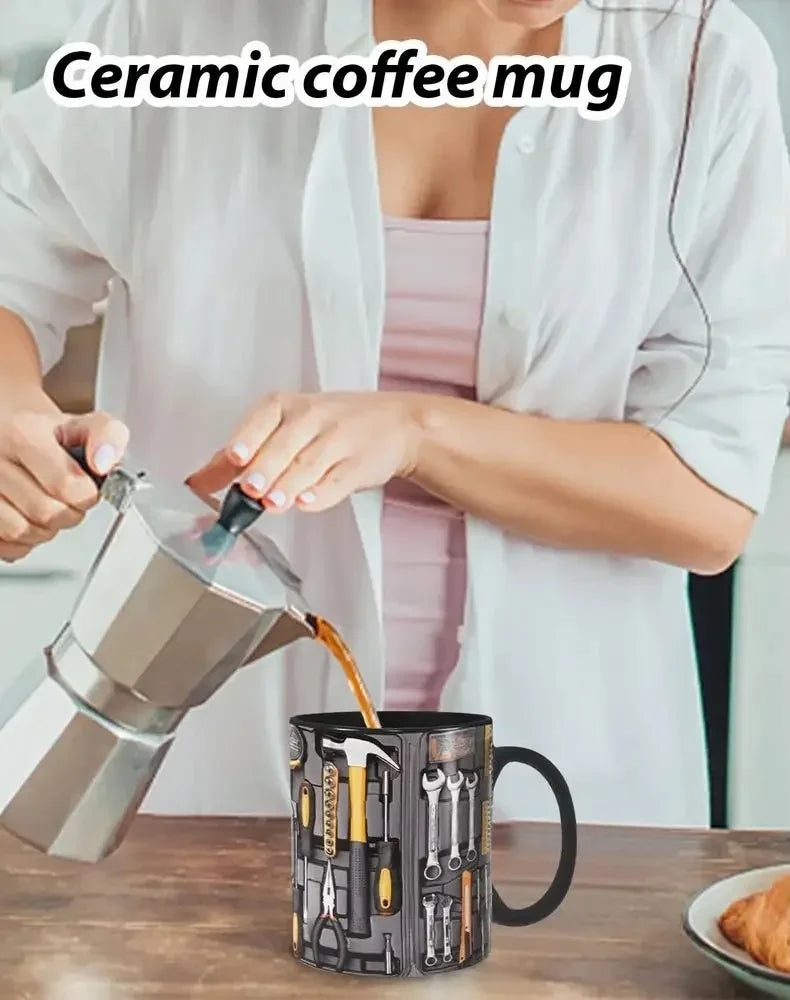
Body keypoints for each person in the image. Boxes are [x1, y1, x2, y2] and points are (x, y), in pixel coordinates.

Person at [0, 0, 788, 826]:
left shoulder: (701, 62)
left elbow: (710, 501)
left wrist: (416, 434)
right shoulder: (178, 29)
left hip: (564, 820)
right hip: (216, 806)